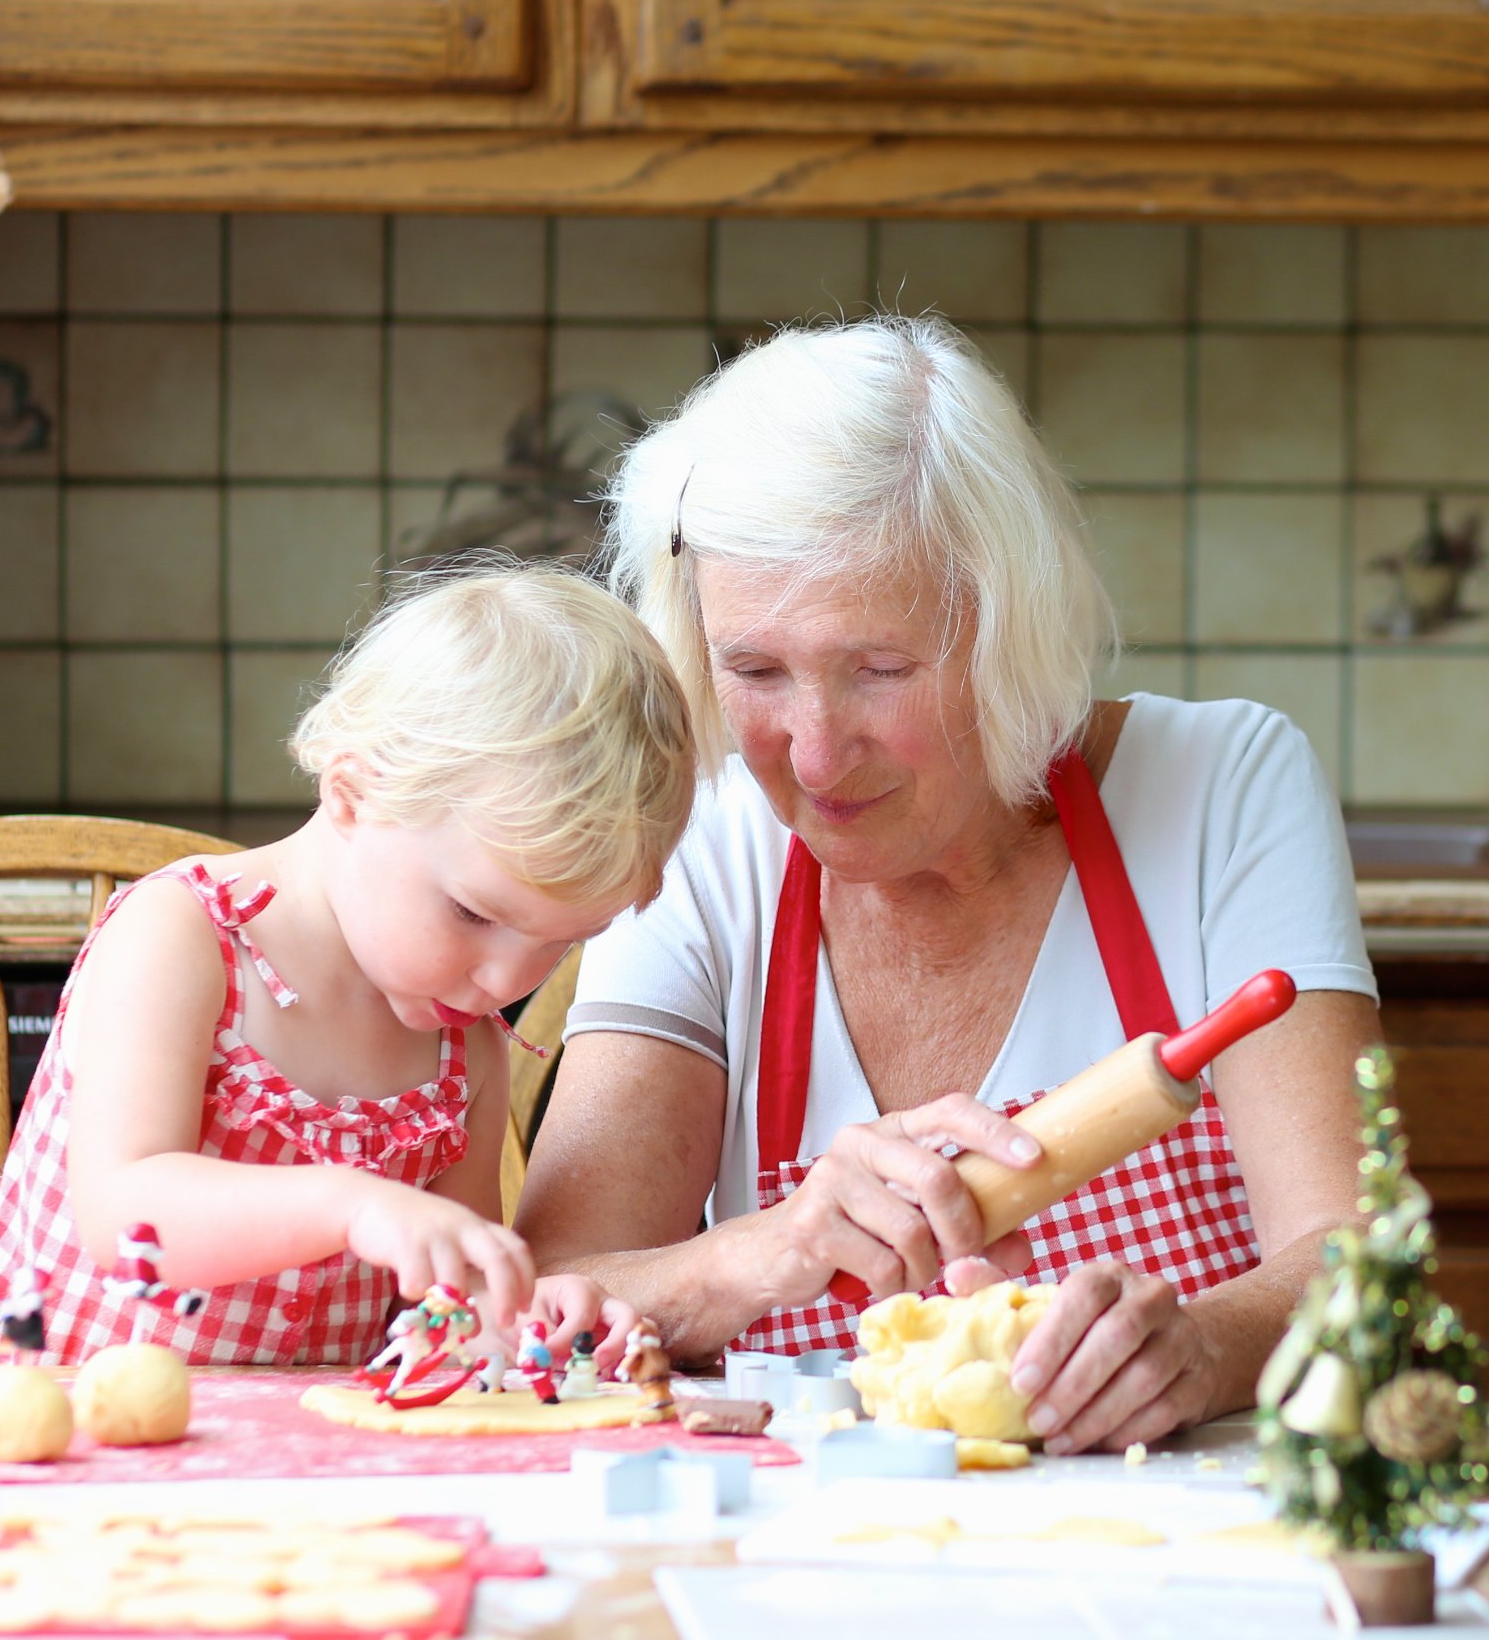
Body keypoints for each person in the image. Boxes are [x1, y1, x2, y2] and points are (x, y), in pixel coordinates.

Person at [516, 315, 1382, 1457]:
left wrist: (1204, 1348)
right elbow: (559, 1300)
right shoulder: (706, 837)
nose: (814, 755)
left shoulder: (1221, 787)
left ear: (1005, 623)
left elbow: (1359, 1261)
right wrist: (769, 1248)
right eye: (756, 670)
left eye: (878, 671)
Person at [0, 564, 697, 1371]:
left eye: (562, 941)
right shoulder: (183, 940)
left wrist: (527, 1321)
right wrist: (350, 1205)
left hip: (314, 1475)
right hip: (86, 1442)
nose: (505, 982)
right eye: (475, 914)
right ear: (351, 795)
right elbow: (124, 1216)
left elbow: (440, 1321)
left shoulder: (463, 1054)